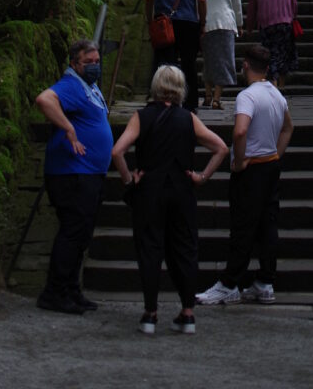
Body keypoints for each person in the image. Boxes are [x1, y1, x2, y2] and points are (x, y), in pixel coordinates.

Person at [113, 65, 228, 336]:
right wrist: (202, 177)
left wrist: (129, 179)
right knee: (185, 248)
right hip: (181, 190)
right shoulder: (188, 118)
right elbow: (221, 148)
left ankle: (150, 313)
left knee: (149, 249)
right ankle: (187, 312)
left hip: (149, 191)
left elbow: (117, 151)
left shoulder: (142, 117)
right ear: (180, 88)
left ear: (155, 86)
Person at [195, 45, 293, 306]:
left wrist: (239, 162)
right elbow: (288, 127)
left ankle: (230, 283)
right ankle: (265, 280)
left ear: (246, 65)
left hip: (251, 169)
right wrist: (276, 154)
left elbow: (240, 131)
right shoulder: (276, 95)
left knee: (242, 226)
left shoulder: (247, 97)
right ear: (267, 68)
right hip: (270, 165)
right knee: (267, 225)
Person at [34, 38, 114, 315]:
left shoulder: (88, 87)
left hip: (88, 173)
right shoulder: (70, 84)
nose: (94, 66)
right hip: (72, 173)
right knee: (72, 232)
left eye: (97, 61)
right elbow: (45, 99)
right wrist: (69, 128)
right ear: (74, 63)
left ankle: (71, 289)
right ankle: (55, 292)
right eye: (88, 62)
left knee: (81, 234)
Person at [144, 0, 207, 111]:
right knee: (189, 64)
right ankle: (190, 104)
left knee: (164, 64)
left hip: (163, 23)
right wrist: (202, 23)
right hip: (188, 23)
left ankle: (164, 102)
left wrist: (150, 21)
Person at [245, 0, 299, 90]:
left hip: (267, 25)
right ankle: (281, 85)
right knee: (283, 54)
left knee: (270, 56)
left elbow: (252, 8)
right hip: (285, 24)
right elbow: (294, 3)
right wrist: (292, 16)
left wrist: (249, 27)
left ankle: (274, 85)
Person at [201, 0, 243, 107]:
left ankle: (207, 95)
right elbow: (237, 6)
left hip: (207, 26)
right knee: (224, 62)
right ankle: (217, 99)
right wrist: (240, 24)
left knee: (208, 61)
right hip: (227, 26)